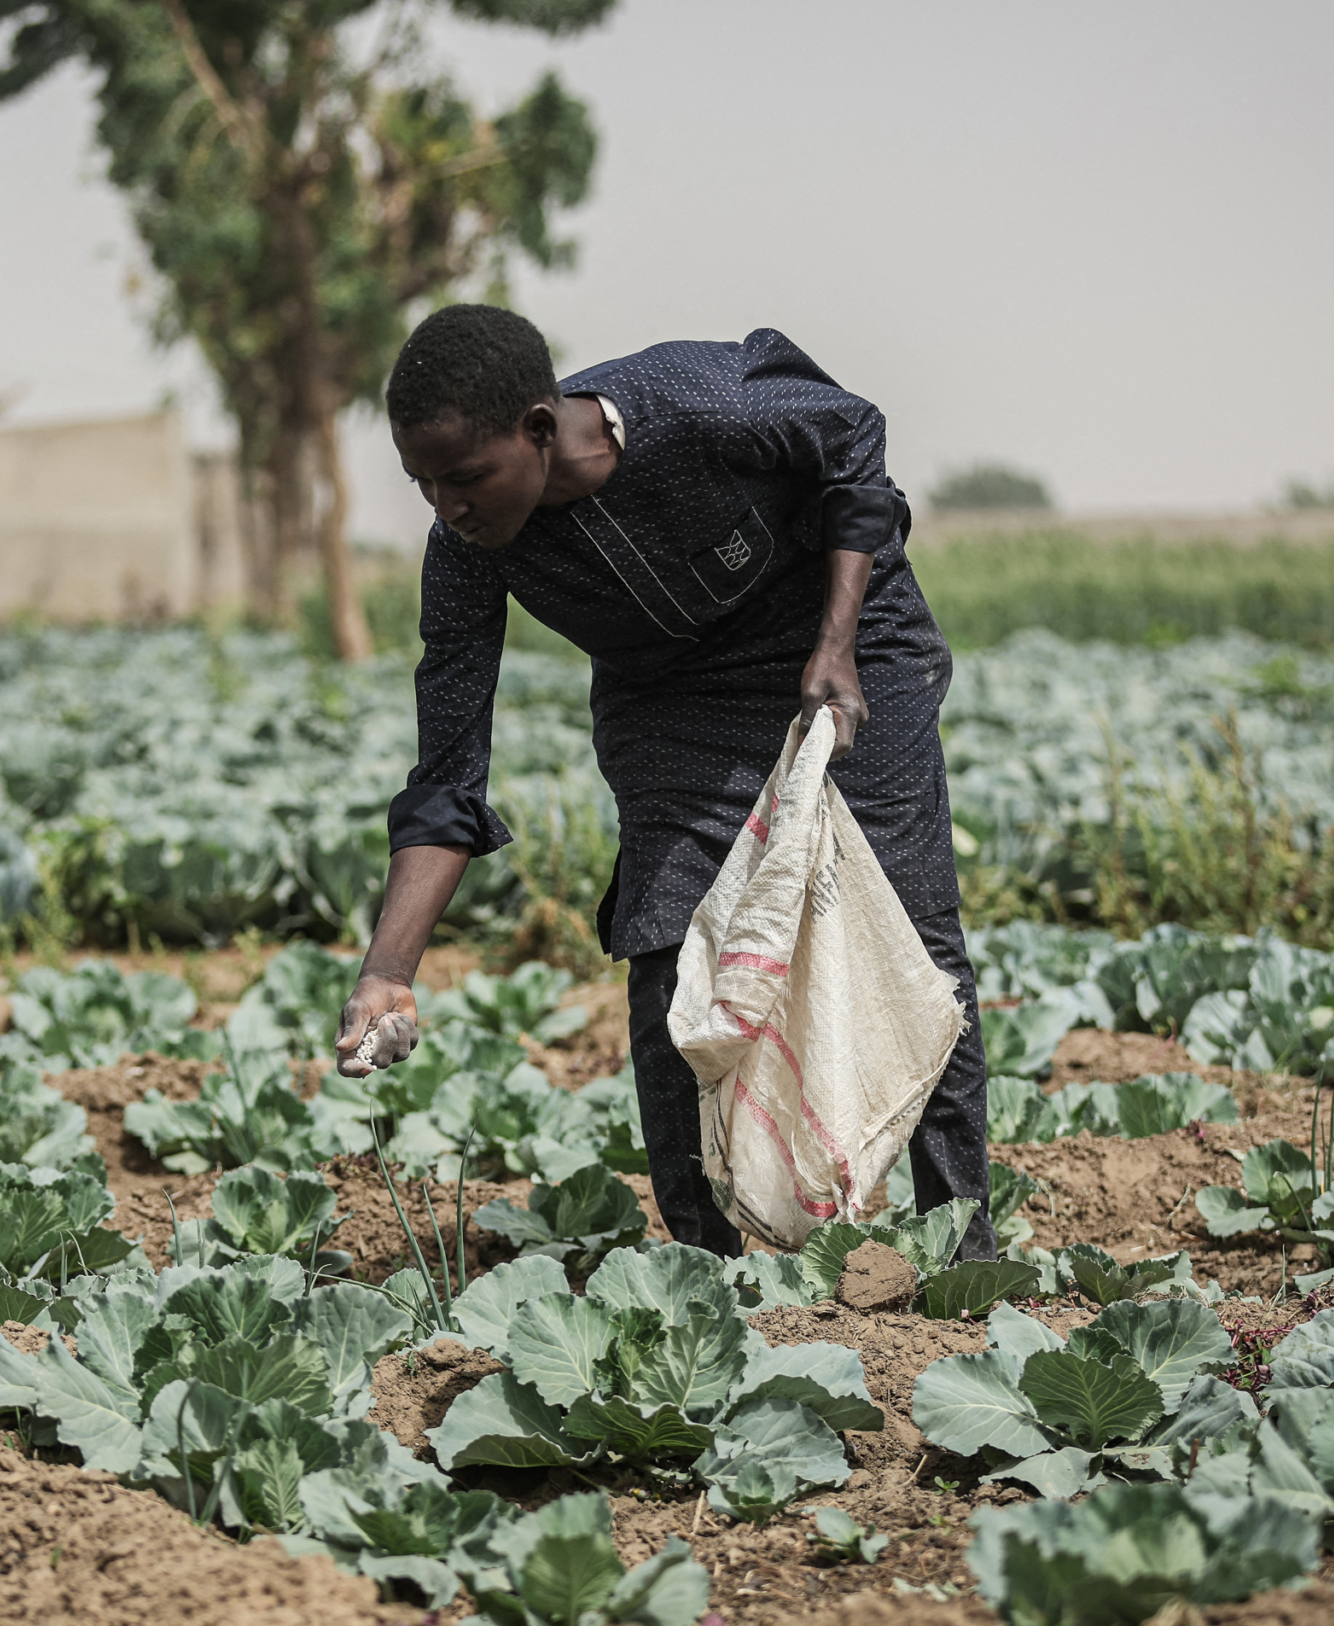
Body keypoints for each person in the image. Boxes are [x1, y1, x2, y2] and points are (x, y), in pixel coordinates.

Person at [333, 303, 994, 1262]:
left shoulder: (694, 404)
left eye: (466, 476)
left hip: (848, 645)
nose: (448, 506)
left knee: (914, 933)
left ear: (538, 428)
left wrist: (837, 640)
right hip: (673, 701)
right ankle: (702, 1266)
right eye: (423, 483)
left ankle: (958, 1247)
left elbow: (852, 435)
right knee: (664, 948)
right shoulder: (469, 555)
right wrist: (386, 972)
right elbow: (446, 775)